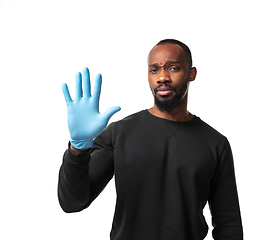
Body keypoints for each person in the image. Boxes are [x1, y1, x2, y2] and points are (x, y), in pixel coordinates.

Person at [58, 39, 243, 240]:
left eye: (173, 68)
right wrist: (78, 149)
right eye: (154, 70)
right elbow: (73, 202)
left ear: (191, 73)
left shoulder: (215, 144)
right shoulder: (119, 133)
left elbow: (228, 224)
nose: (162, 77)